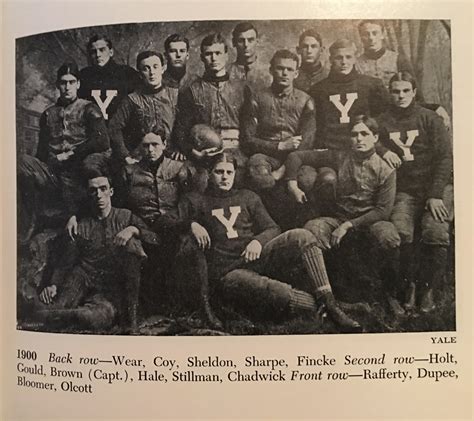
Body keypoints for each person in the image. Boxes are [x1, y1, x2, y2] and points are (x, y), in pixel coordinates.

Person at [178, 152, 362, 332]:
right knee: (277, 291)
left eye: (229, 172)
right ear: (209, 174)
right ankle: (327, 308)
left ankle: (329, 303)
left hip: (256, 258)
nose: (225, 177)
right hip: (229, 273)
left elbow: (273, 228)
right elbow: (168, 221)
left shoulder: (247, 196)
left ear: (235, 174)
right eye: (219, 172)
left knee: (302, 235)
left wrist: (258, 241)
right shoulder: (197, 200)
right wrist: (192, 224)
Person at [285, 115, 404, 314]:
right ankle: (329, 293)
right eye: (354, 134)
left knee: (389, 237)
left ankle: (389, 294)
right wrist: (292, 185)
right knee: (312, 229)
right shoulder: (339, 156)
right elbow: (296, 157)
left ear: (375, 137)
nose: (359, 139)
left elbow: (383, 210)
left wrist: (349, 225)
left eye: (364, 134)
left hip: (370, 220)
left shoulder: (386, 169)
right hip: (339, 217)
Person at [376, 72, 453, 313]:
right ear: (390, 93)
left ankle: (427, 289)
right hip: (405, 190)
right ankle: (408, 286)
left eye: (405, 91)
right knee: (400, 232)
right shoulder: (383, 120)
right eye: (395, 91)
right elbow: (365, 132)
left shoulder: (430, 119)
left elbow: (444, 158)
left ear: (414, 92)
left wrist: (435, 194)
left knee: (436, 231)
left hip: (435, 189)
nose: (400, 96)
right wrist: (381, 148)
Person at [35, 174, 146, 332]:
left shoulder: (125, 216)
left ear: (111, 192)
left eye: (103, 189)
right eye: (93, 191)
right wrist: (53, 284)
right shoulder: (82, 225)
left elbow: (154, 237)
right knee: (57, 303)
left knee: (96, 316)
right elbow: (67, 261)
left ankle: (59, 317)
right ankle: (57, 315)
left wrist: (133, 229)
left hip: (110, 286)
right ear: (89, 195)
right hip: (83, 277)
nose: (99, 195)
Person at [18, 62, 110, 232]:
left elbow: (102, 141)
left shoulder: (89, 108)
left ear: (78, 84)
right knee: (22, 162)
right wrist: (46, 164)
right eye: (63, 82)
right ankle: (28, 223)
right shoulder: (48, 113)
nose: (67, 87)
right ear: (57, 85)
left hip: (78, 170)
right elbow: (41, 151)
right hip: (54, 171)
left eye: (72, 82)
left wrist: (71, 154)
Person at [172, 33, 247, 179]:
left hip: (237, 152)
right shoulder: (191, 90)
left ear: (226, 55)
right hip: (205, 155)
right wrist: (194, 152)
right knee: (195, 179)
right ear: (202, 57)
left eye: (218, 53)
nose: (213, 58)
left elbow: (249, 128)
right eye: (208, 54)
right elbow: (180, 130)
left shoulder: (242, 89)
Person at [355, 20, 452, 132]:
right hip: (370, 119)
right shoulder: (355, 64)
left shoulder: (398, 59)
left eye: (375, 33)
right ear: (361, 37)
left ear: (382, 34)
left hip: (398, 116)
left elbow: (415, 95)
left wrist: (434, 107)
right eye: (366, 34)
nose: (371, 38)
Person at [108, 51, 175, 167]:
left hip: (170, 157)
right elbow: (114, 127)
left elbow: (185, 124)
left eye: (155, 67)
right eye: (146, 68)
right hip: (141, 158)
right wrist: (125, 156)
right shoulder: (132, 99)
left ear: (163, 69)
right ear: (140, 74)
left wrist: (180, 150)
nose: (152, 72)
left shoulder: (175, 95)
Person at [78, 34, 142, 121]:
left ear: (111, 52)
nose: (98, 55)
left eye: (102, 50)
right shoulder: (83, 75)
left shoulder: (127, 73)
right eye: (93, 52)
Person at [228, 22, 272, 87]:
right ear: (233, 42)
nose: (246, 44)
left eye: (250, 40)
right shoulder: (226, 72)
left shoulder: (269, 72)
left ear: (257, 42)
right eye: (241, 40)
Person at [162, 33, 197, 113]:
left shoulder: (196, 83)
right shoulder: (158, 83)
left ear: (187, 55)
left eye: (182, 51)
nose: (178, 55)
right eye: (173, 51)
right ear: (166, 55)